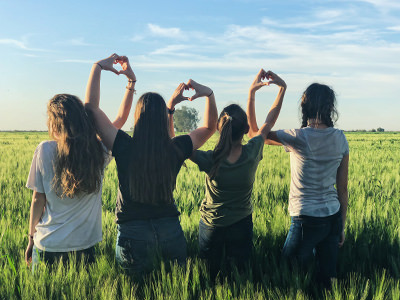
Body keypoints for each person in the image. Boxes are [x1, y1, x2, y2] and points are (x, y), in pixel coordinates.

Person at [84, 54, 218, 276]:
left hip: (132, 234)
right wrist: (208, 95)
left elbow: (91, 109)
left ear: (138, 118)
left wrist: (97, 66)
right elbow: (209, 127)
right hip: (170, 231)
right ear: (162, 119)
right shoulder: (175, 148)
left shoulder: (124, 145)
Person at [25, 69, 134, 271]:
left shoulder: (44, 150)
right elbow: (120, 118)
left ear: (53, 124)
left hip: (48, 244)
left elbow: (37, 199)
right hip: (85, 247)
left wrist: (31, 238)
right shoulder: (98, 151)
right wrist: (130, 82)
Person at [248, 82, 349, 287]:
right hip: (333, 218)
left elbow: (255, 135)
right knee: (326, 281)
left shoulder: (299, 137)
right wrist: (342, 225)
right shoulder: (340, 138)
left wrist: (252, 93)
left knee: (287, 276)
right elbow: (343, 188)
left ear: (305, 107)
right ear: (330, 107)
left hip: (305, 220)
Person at [190, 69, 286, 278]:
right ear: (245, 130)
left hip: (211, 225)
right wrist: (280, 89)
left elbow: (177, 146)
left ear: (218, 129)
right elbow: (268, 121)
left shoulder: (210, 159)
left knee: (208, 277)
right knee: (240, 276)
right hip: (242, 224)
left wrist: (171, 108)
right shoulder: (253, 151)